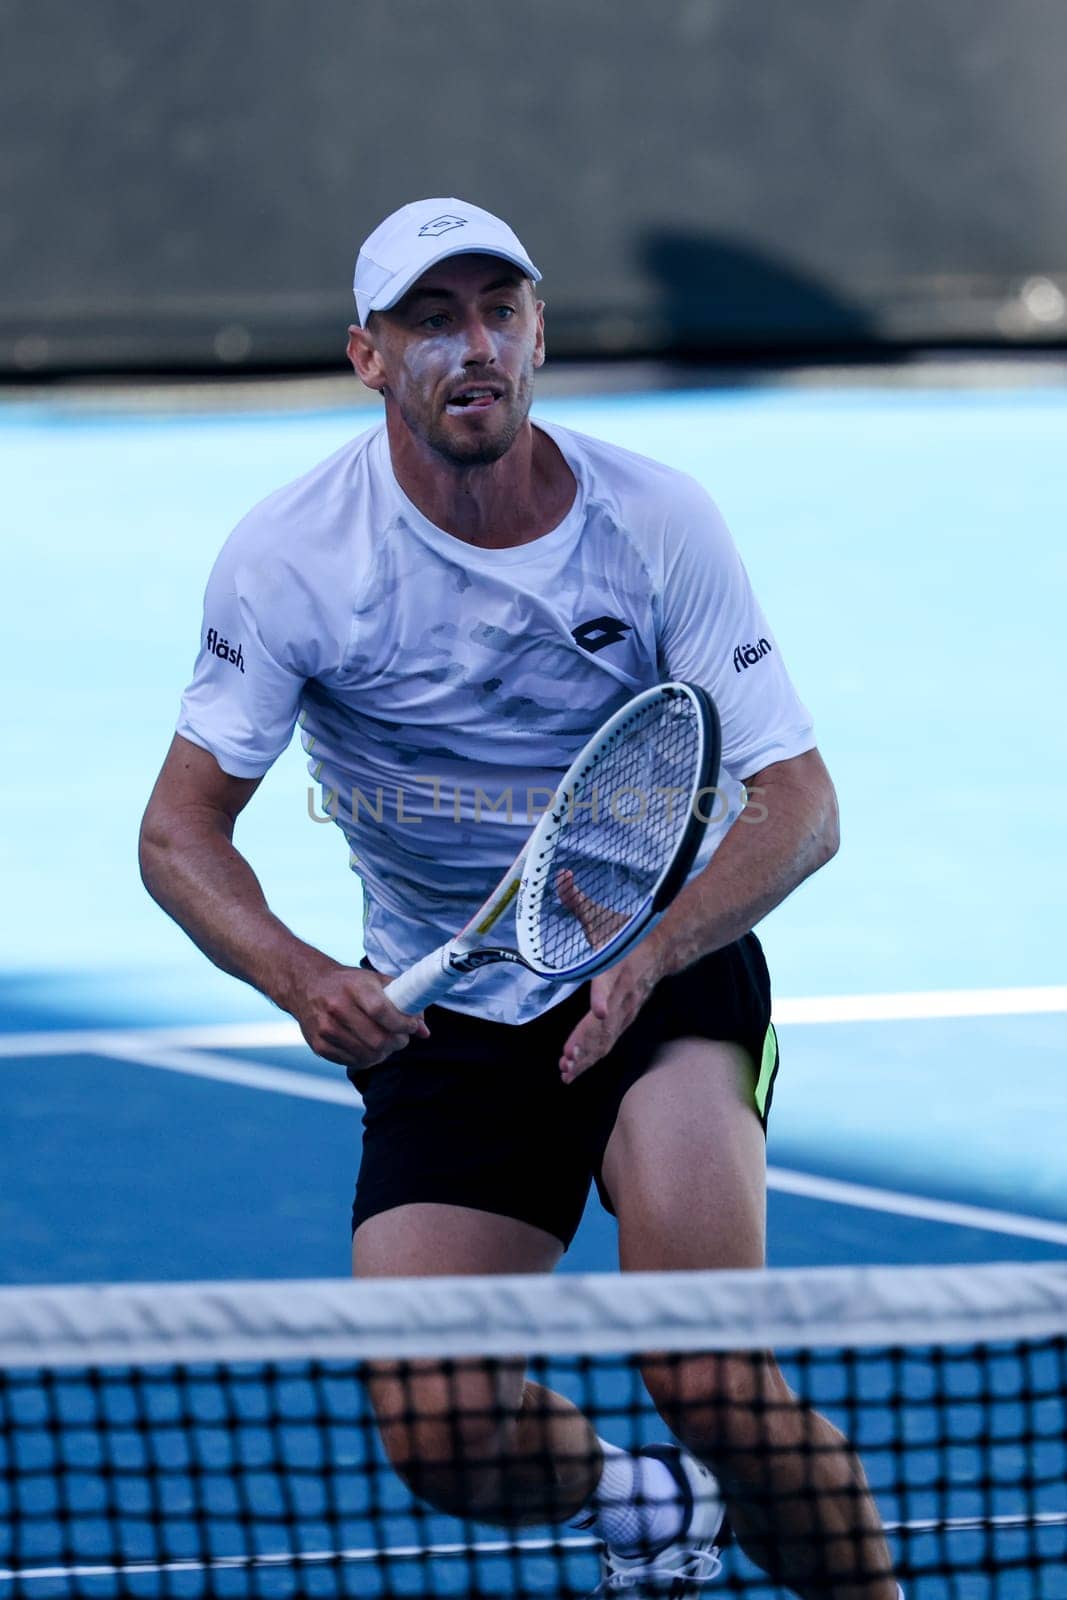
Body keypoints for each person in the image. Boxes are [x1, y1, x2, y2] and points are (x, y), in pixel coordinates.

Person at [140, 197, 902, 1598]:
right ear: (369, 357)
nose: (473, 346)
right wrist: (304, 976)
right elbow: (179, 835)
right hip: (451, 1016)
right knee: (436, 1433)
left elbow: (802, 806)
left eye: (499, 311)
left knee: (711, 1376)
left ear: (538, 330)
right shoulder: (295, 558)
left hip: (658, 980)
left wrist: (655, 946)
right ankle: (641, 1501)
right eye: (434, 320)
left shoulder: (655, 518)